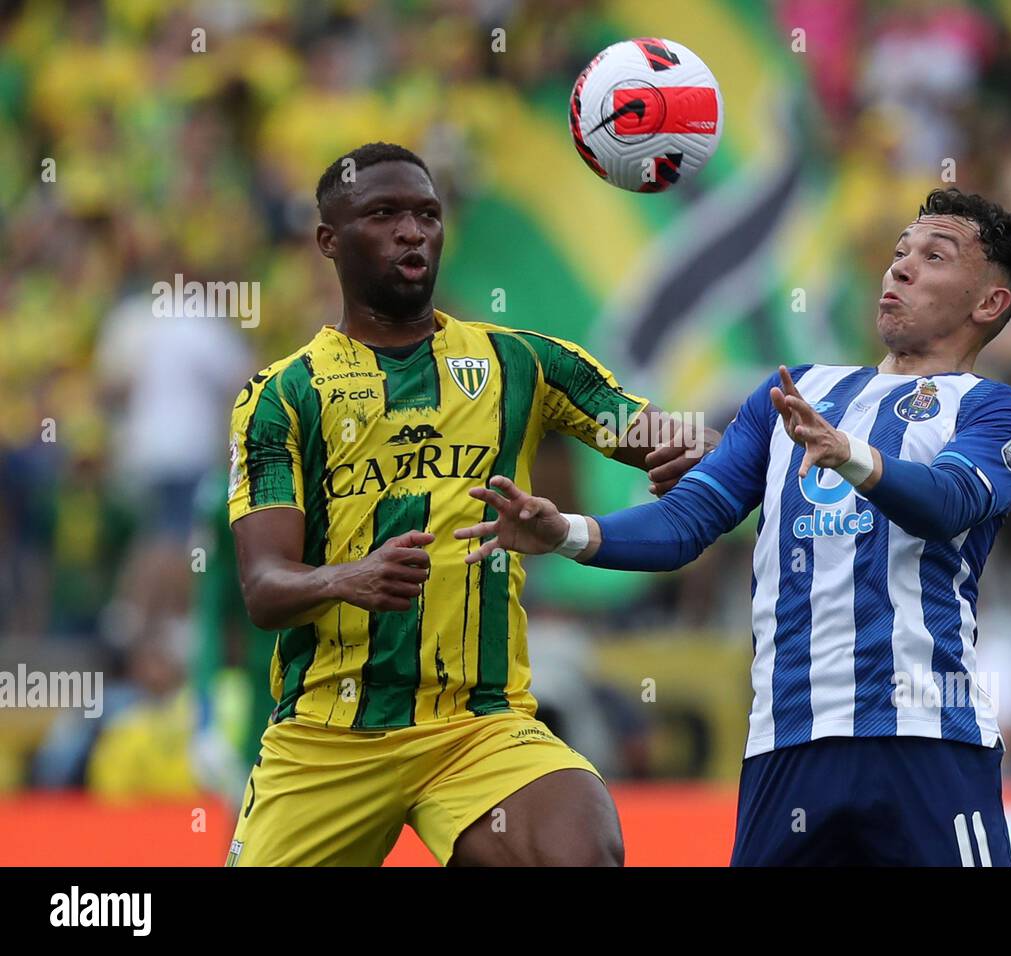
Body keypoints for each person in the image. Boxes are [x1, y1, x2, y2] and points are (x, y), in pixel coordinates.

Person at [456, 187, 1011, 866]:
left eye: (933, 256)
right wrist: (565, 530)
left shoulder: (1000, 413)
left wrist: (849, 455)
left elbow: (945, 503)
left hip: (925, 739)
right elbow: (687, 522)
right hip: (787, 743)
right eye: (898, 253)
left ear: (989, 304)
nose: (901, 269)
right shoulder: (794, 395)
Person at [225, 142, 714, 867]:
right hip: (328, 735)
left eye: (426, 214)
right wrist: (345, 578)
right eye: (384, 214)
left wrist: (696, 447)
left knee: (578, 846)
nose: (411, 231)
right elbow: (264, 590)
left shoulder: (523, 363)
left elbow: (659, 434)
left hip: (477, 725)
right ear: (329, 239)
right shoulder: (281, 397)